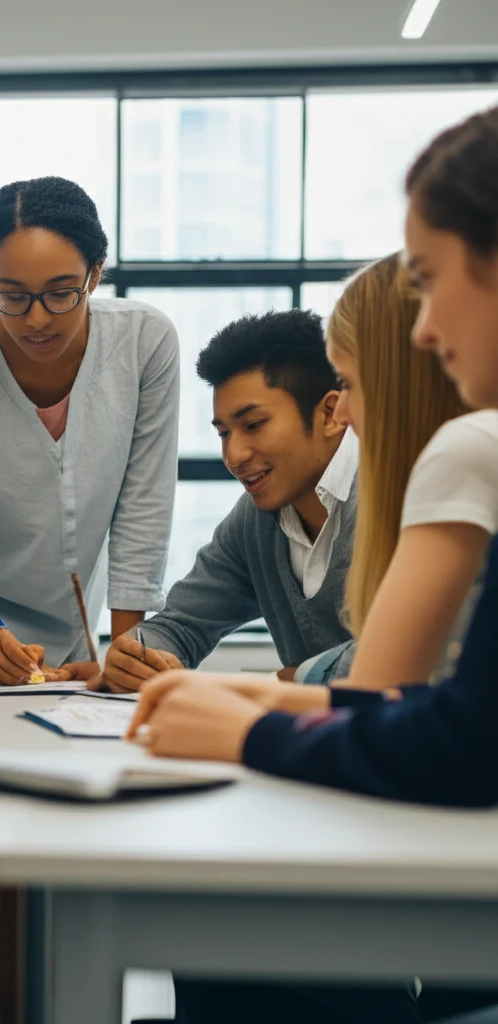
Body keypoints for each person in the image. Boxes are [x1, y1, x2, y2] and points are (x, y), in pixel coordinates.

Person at [128, 104, 498, 1024]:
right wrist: (175, 662)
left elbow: (431, 720)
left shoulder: (459, 458)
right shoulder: (254, 524)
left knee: (213, 943)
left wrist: (252, 713)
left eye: (430, 278)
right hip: (413, 848)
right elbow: (448, 712)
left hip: (437, 883)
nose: (424, 332)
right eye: (222, 432)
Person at [0, 176, 180, 684]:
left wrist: (125, 653)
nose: (36, 320)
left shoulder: (145, 342)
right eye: (12, 296)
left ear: (95, 275)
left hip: (88, 631)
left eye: (60, 294)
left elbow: (143, 509)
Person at [103, 308, 355, 692]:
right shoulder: (254, 522)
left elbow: (426, 650)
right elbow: (181, 624)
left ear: (331, 413)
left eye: (253, 425)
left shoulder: (400, 495)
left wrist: (291, 678)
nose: (234, 455)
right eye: (223, 433)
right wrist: (138, 657)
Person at [294, 253, 473, 688]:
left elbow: (372, 708)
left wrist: (254, 716)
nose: (346, 412)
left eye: (350, 384)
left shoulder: (465, 456)